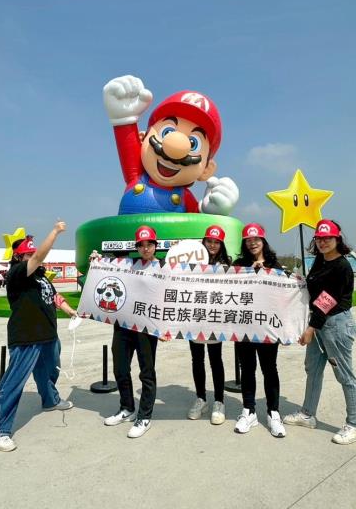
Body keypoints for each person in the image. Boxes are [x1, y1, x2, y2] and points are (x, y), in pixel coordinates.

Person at [0, 222, 79, 452]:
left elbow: (53, 296)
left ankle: (50, 400)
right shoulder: (17, 273)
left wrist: (69, 310)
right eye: (27, 254)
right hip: (26, 336)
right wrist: (55, 232)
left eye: (32, 253)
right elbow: (38, 257)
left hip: (48, 335)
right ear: (19, 257)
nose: (33, 257)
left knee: (49, 372)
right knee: (13, 382)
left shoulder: (40, 276)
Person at [102, 74, 239, 216]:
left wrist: (210, 211)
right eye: (167, 132)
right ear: (142, 140)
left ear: (206, 170)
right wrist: (123, 118)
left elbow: (196, 220)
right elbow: (127, 148)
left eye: (193, 143)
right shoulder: (136, 176)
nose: (175, 148)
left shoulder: (184, 198)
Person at [284, 219, 356, 445]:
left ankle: (355, 425)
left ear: (337, 239)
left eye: (327, 238)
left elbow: (326, 300)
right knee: (313, 369)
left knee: (345, 375)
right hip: (318, 322)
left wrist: (311, 328)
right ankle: (307, 414)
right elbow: (314, 289)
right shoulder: (320, 260)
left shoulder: (342, 266)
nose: (323, 242)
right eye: (319, 238)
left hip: (336, 324)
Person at [104, 225, 161, 439]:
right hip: (123, 324)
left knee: (147, 372)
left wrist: (165, 326)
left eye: (149, 244)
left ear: (155, 245)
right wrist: (96, 261)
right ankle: (127, 407)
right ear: (136, 247)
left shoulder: (164, 267)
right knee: (120, 367)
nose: (145, 248)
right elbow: (106, 275)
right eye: (141, 245)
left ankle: (144, 416)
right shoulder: (127, 264)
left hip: (147, 327)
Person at [232, 223, 287, 438]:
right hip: (244, 327)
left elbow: (284, 294)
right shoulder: (238, 265)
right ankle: (249, 411)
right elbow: (228, 291)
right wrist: (249, 272)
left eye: (256, 239)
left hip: (267, 328)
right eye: (248, 240)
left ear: (263, 241)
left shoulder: (275, 264)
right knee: (247, 368)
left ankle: (273, 413)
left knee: (269, 369)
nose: (252, 243)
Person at [187, 225, 231, 425]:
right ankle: (201, 399)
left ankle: (219, 401)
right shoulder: (192, 261)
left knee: (215, 359)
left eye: (216, 242)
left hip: (215, 318)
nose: (212, 245)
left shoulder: (227, 264)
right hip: (194, 317)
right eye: (209, 241)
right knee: (197, 359)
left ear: (221, 245)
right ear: (203, 242)